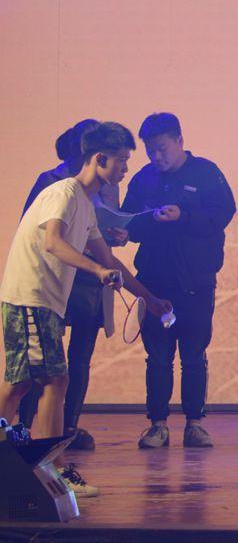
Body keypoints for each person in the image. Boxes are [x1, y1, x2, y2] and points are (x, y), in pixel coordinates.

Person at [1, 122, 169, 500]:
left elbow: (110, 260)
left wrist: (151, 298)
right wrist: (96, 270)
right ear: (100, 159)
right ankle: (54, 472)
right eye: (121, 160)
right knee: (54, 381)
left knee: (19, 384)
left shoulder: (87, 206)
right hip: (31, 298)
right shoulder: (63, 193)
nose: (126, 168)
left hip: (39, 301)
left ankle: (47, 470)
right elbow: (53, 242)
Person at [120, 113, 237, 449]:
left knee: (194, 355)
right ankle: (157, 425)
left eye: (162, 149)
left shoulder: (206, 173)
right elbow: (131, 222)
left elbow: (223, 214)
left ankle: (194, 424)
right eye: (150, 151)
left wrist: (183, 216)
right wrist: (123, 232)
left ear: (179, 141)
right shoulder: (143, 179)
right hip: (153, 283)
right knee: (157, 357)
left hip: (197, 283)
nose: (156, 157)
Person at [18, 118, 128, 449]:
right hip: (56, 278)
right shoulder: (53, 183)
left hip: (92, 282)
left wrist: (116, 237)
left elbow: (101, 235)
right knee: (40, 363)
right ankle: (23, 428)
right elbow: (37, 233)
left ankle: (68, 429)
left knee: (79, 358)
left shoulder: (107, 185)